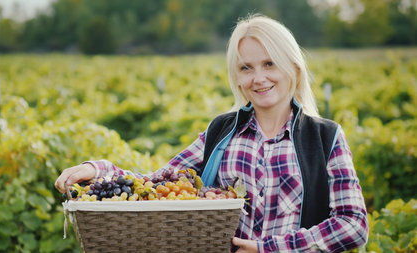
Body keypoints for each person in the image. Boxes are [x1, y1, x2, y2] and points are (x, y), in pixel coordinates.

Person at [55, 14, 368, 252]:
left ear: (293, 68)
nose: (258, 78)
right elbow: (155, 183)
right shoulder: (221, 132)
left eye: (269, 64)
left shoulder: (325, 138)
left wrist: (268, 248)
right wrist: (97, 170)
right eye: (246, 68)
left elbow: (353, 225)